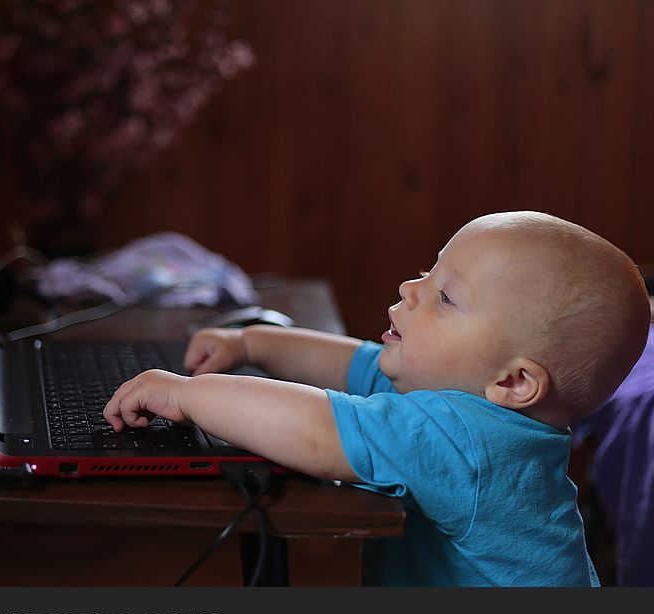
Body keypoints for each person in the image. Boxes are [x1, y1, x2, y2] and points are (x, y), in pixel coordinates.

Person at [103, 211, 651, 586]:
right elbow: (350, 362)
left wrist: (187, 394)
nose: (410, 290)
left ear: (514, 383)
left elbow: (316, 431)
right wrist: (250, 343)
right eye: (427, 271)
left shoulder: (469, 439)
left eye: (444, 296)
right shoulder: (464, 395)